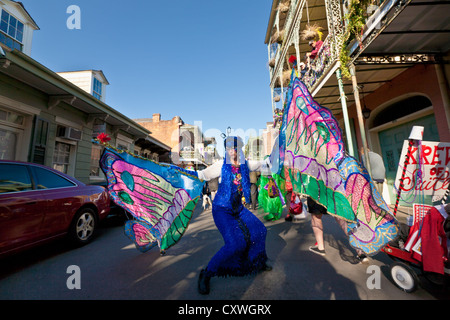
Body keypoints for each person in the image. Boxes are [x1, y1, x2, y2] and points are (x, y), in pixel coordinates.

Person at [195, 136, 272, 295]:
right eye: (229, 148)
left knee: (260, 231)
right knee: (234, 244)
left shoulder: (246, 164)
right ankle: (206, 273)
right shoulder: (220, 165)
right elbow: (202, 174)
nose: (232, 151)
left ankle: (257, 261)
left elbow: (266, 163)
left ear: (239, 149)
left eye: (235, 147)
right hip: (222, 210)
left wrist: (281, 154)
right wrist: (180, 173)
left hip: (238, 209)